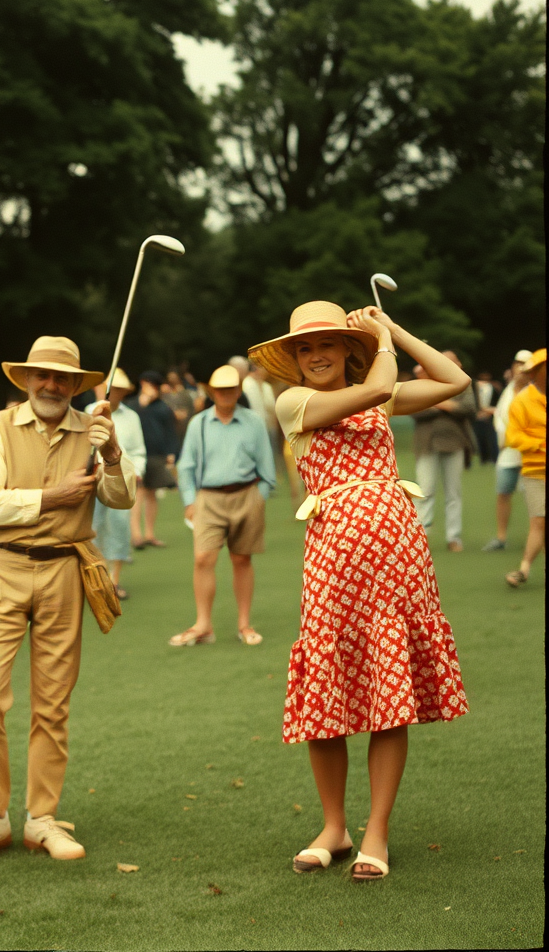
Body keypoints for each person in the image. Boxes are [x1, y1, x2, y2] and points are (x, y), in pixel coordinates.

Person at [251, 300, 469, 882]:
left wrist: (389, 329)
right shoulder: (295, 401)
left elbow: (456, 380)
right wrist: (380, 351)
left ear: (349, 349)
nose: (315, 354)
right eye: (304, 346)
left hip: (399, 560)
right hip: (332, 565)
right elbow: (374, 393)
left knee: (387, 692)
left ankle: (374, 831)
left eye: (327, 343)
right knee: (326, 695)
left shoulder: (382, 382)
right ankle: (333, 827)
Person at [0, 336, 135, 867]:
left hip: (64, 572)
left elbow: (122, 499)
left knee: (52, 704)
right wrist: (54, 498)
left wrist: (113, 453)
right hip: (1, 568)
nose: (51, 385)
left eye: (62, 378)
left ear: (76, 385)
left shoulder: (95, 430)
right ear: (25, 380)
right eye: (41, 376)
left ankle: (42, 819)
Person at [170, 365, 276, 647]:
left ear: (238, 391)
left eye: (231, 388)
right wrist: (190, 501)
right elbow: (186, 466)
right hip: (208, 497)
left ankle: (244, 624)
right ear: (212, 392)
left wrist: (259, 499)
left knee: (242, 558)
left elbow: (267, 468)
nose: (226, 394)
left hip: (246, 494)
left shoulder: (253, 422)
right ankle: (203, 624)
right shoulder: (199, 423)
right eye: (220, 389)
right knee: (203, 558)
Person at [86, 368, 146, 600]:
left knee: (120, 528)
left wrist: (137, 471)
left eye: (119, 390)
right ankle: (95, 580)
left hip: (121, 479)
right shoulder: (86, 414)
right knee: (92, 528)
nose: (114, 393)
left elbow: (140, 452)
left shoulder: (132, 418)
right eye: (111, 389)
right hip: (92, 481)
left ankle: (114, 581)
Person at [410, 351, 476, 551]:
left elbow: (468, 409)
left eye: (453, 361)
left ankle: (454, 537)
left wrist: (436, 402)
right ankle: (421, 536)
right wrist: (447, 404)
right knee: (425, 490)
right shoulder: (425, 382)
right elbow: (415, 410)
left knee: (453, 493)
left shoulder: (463, 384)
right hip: (426, 442)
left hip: (454, 441)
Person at [483, 350, 533, 551]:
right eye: (517, 364)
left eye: (524, 364)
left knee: (534, 496)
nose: (520, 368)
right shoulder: (508, 390)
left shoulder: (536, 391)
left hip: (531, 451)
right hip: (508, 451)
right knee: (503, 493)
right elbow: (502, 418)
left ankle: (536, 536)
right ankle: (501, 537)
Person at [505, 348, 546, 588]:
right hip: (535, 471)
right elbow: (513, 437)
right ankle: (524, 569)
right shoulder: (522, 401)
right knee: (539, 521)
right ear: (537, 372)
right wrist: (540, 444)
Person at [128, 370, 179, 548]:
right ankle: (136, 535)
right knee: (138, 493)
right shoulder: (132, 405)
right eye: (150, 384)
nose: (154, 389)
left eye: (156, 386)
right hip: (136, 455)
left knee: (152, 494)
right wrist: (143, 404)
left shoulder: (163, 407)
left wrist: (172, 452)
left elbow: (171, 431)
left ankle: (150, 534)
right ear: (142, 383)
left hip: (156, 454)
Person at [473, 371, 500, 464]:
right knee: (479, 437)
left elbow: (497, 403)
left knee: (491, 438)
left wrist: (490, 412)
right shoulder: (475, 386)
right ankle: (483, 458)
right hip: (477, 416)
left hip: (490, 416)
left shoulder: (494, 388)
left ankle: (493, 458)